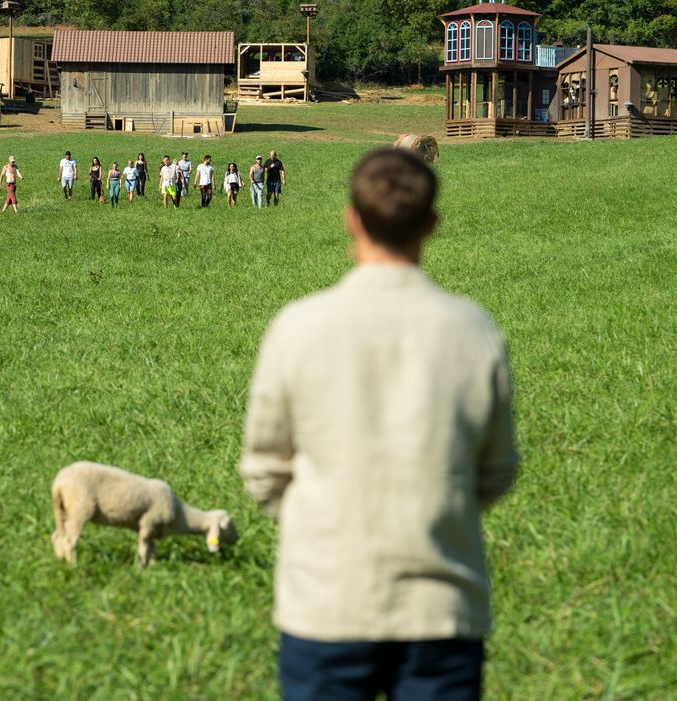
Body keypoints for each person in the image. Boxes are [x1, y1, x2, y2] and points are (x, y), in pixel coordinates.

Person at [239, 148, 519, 701]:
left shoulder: (298, 327)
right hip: (441, 610)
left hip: (326, 602)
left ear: (351, 217)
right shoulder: (473, 331)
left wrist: (319, 525)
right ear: (432, 225)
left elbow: (265, 469)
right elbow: (497, 469)